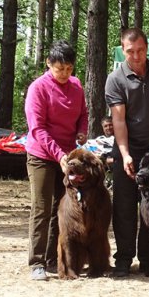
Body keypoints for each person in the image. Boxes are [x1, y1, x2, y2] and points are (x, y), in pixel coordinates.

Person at [105, 28, 149, 278]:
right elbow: (119, 121)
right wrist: (124, 154)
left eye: (141, 50)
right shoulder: (115, 79)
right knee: (124, 207)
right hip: (127, 149)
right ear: (123, 50)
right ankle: (123, 258)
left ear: (148, 48)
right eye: (130, 51)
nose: (136, 56)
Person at [25, 41, 88, 281]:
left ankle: (55, 259)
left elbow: (83, 113)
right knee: (42, 207)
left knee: (61, 208)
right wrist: (59, 155)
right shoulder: (38, 88)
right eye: (59, 68)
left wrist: (81, 132)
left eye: (69, 69)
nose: (64, 74)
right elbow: (37, 129)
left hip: (67, 156)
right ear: (49, 64)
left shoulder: (76, 86)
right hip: (42, 155)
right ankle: (37, 262)